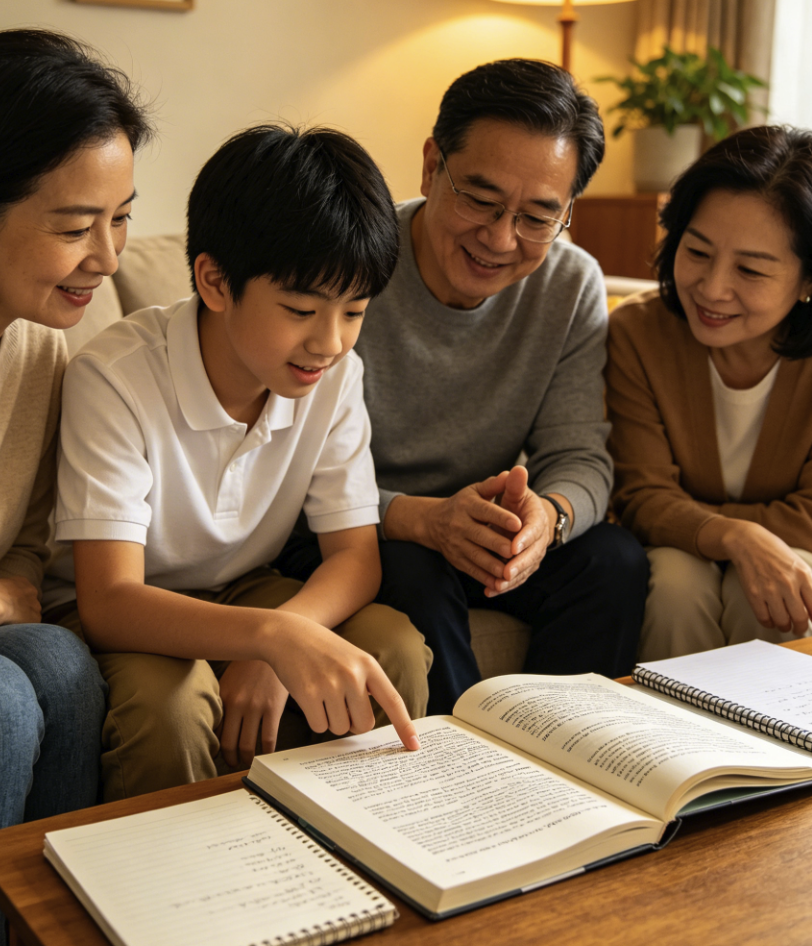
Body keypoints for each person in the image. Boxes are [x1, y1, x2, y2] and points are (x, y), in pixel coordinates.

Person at [44, 124, 428, 802]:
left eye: (355, 312)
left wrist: (281, 642)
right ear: (215, 281)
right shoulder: (115, 376)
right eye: (301, 309)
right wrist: (270, 638)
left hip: (246, 588)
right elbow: (108, 602)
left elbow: (355, 557)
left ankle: (372, 853)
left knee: (389, 648)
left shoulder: (336, 377)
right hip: (131, 605)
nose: (330, 342)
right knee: (169, 707)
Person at [277, 59, 649, 714]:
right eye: (480, 199)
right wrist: (423, 519)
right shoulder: (351, 261)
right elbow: (286, 463)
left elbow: (581, 454)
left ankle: (567, 759)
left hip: (472, 528)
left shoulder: (570, 285)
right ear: (430, 166)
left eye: (538, 216)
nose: (501, 238)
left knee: (612, 561)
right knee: (412, 571)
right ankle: (464, 773)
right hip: (352, 527)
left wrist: (549, 520)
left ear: (568, 211)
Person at [0, 28, 147, 946]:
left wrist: (8, 598)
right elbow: (7, 585)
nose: (109, 259)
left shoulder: (42, 344)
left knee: (61, 661)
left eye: (123, 219)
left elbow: (29, 552)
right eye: (76, 227)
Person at [606, 125, 812, 660]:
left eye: (750, 269)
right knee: (673, 585)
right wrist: (736, 536)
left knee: (777, 589)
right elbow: (641, 494)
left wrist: (709, 523)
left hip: (796, 553)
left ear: (807, 280)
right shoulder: (638, 334)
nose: (713, 288)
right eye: (696, 252)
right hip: (676, 551)